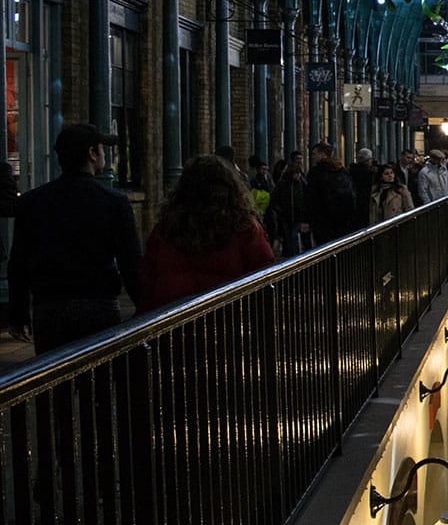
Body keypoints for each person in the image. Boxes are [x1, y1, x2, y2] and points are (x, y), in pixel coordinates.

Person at [8, 124, 143, 353]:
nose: (103, 155)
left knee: (55, 381)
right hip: (98, 306)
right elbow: (130, 263)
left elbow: (19, 262)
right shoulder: (114, 202)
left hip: (49, 308)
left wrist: (19, 313)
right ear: (91, 154)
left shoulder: (32, 202)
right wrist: (143, 304)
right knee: (98, 379)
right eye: (101, 149)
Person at [138, 155, 277, 311]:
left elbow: (147, 278)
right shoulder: (244, 229)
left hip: (174, 318)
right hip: (227, 318)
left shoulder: (166, 229)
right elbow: (263, 274)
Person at [305, 142, 357, 246]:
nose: (313, 156)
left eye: (315, 153)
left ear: (322, 154)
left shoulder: (316, 172)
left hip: (322, 219)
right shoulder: (341, 170)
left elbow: (311, 197)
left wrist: (307, 218)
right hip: (343, 217)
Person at [267, 159, 310, 257]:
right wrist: (280, 211)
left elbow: (306, 199)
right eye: (296, 173)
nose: (299, 176)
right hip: (286, 217)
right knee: (288, 239)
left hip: (298, 217)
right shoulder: (283, 184)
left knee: (294, 238)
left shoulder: (302, 184)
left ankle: (295, 256)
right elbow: (274, 199)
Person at [349, 148, 377, 227]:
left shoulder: (350, 172)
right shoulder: (371, 173)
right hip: (367, 204)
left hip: (354, 205)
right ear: (369, 160)